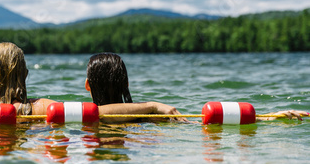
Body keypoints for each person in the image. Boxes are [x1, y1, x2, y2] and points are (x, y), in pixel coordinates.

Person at [84, 52, 309, 123]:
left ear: (87, 86)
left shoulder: (75, 119)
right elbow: (199, 124)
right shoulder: (148, 117)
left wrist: (269, 117)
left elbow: (98, 115)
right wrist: (270, 118)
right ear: (127, 84)